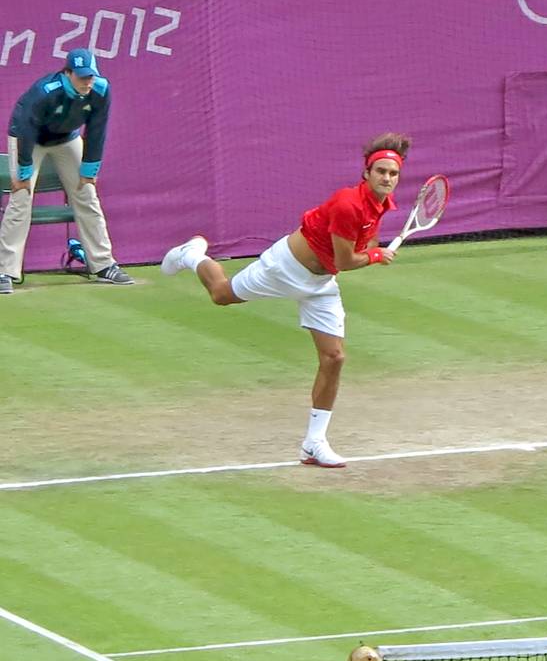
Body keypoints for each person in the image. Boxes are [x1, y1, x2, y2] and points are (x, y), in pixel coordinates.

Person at [159, 133, 410, 468]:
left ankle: (313, 443)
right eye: (381, 171)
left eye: (393, 174)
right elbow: (349, 260)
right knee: (221, 295)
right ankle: (192, 255)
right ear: (366, 172)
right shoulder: (348, 203)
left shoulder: (381, 206)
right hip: (284, 267)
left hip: (320, 284)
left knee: (334, 358)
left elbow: (357, 251)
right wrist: (378, 256)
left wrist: (375, 250)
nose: (387, 178)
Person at [1, 47, 131, 295]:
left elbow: (96, 130)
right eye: (82, 77)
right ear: (67, 73)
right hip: (30, 139)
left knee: (86, 195)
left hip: (66, 140)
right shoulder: (44, 93)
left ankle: (104, 264)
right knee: (20, 199)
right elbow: (26, 131)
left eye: (90, 76)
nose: (87, 82)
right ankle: (5, 270)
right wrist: (24, 174)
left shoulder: (101, 90)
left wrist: (89, 170)